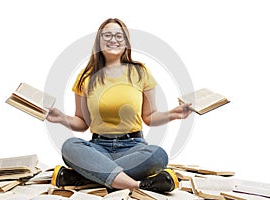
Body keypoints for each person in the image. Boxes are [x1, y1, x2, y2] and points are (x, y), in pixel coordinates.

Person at [46, 18, 192, 193]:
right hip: (98, 147)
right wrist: (61, 118)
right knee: (70, 146)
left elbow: (150, 116)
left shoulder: (140, 72)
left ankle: (82, 176)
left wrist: (174, 114)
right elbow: (82, 122)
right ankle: (136, 184)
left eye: (118, 36)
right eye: (107, 35)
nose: (113, 40)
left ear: (126, 42)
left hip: (134, 147)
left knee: (158, 155)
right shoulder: (86, 77)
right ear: (99, 41)